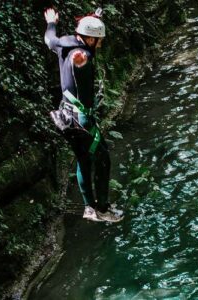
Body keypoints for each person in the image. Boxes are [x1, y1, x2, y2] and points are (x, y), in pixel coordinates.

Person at [44, 8, 123, 222]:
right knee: (103, 159)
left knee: (83, 160)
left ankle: (89, 208)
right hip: (82, 121)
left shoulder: (62, 45)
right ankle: (103, 210)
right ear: (88, 39)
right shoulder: (82, 55)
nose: (100, 44)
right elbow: (80, 61)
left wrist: (51, 22)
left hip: (66, 115)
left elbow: (49, 39)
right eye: (98, 40)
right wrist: (81, 61)